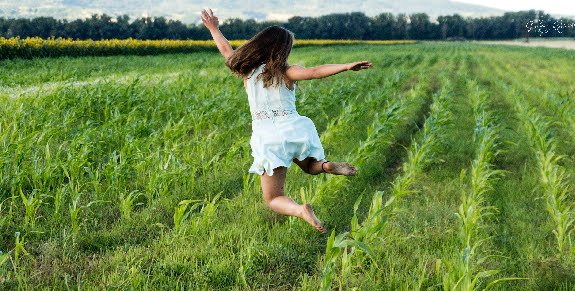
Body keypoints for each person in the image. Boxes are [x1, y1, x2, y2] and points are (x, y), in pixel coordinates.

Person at [201, 8, 372, 233]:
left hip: (268, 137)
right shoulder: (286, 71)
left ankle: (301, 210)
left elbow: (226, 50)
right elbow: (315, 71)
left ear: (257, 45)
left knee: (274, 198)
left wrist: (213, 27)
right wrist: (346, 66)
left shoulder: (247, 72)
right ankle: (327, 166)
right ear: (282, 50)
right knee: (311, 167)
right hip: (294, 129)